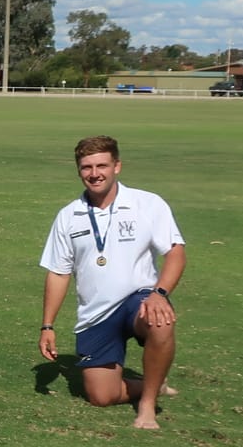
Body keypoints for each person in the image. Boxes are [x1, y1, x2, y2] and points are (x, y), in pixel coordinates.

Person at [38, 135, 185, 430]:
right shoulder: (68, 216)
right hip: (96, 313)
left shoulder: (147, 203)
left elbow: (175, 253)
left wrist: (159, 293)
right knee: (101, 397)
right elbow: (58, 272)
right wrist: (48, 326)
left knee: (161, 320)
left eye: (102, 165)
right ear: (79, 171)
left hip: (138, 298)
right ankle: (151, 383)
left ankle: (147, 406)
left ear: (117, 166)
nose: (95, 173)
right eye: (86, 167)